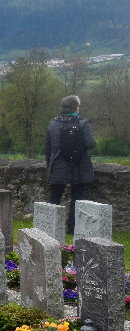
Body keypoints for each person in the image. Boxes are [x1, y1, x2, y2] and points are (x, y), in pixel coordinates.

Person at [45, 95, 96, 234]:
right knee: (76, 197)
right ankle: (72, 229)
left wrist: (49, 167)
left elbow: (48, 150)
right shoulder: (83, 124)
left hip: (58, 165)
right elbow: (91, 143)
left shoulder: (53, 124)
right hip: (78, 166)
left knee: (55, 195)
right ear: (76, 108)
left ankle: (51, 228)